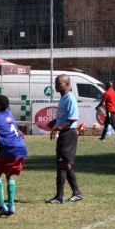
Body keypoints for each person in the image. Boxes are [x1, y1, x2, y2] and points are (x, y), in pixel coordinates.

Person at [46, 74, 83, 204]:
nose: (56, 85)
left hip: (69, 133)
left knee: (63, 164)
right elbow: (63, 116)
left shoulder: (70, 98)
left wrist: (58, 128)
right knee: (63, 164)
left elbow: (72, 118)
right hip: (64, 133)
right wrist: (53, 123)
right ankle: (74, 193)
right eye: (55, 83)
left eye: (59, 83)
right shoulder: (63, 98)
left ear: (67, 84)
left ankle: (60, 196)